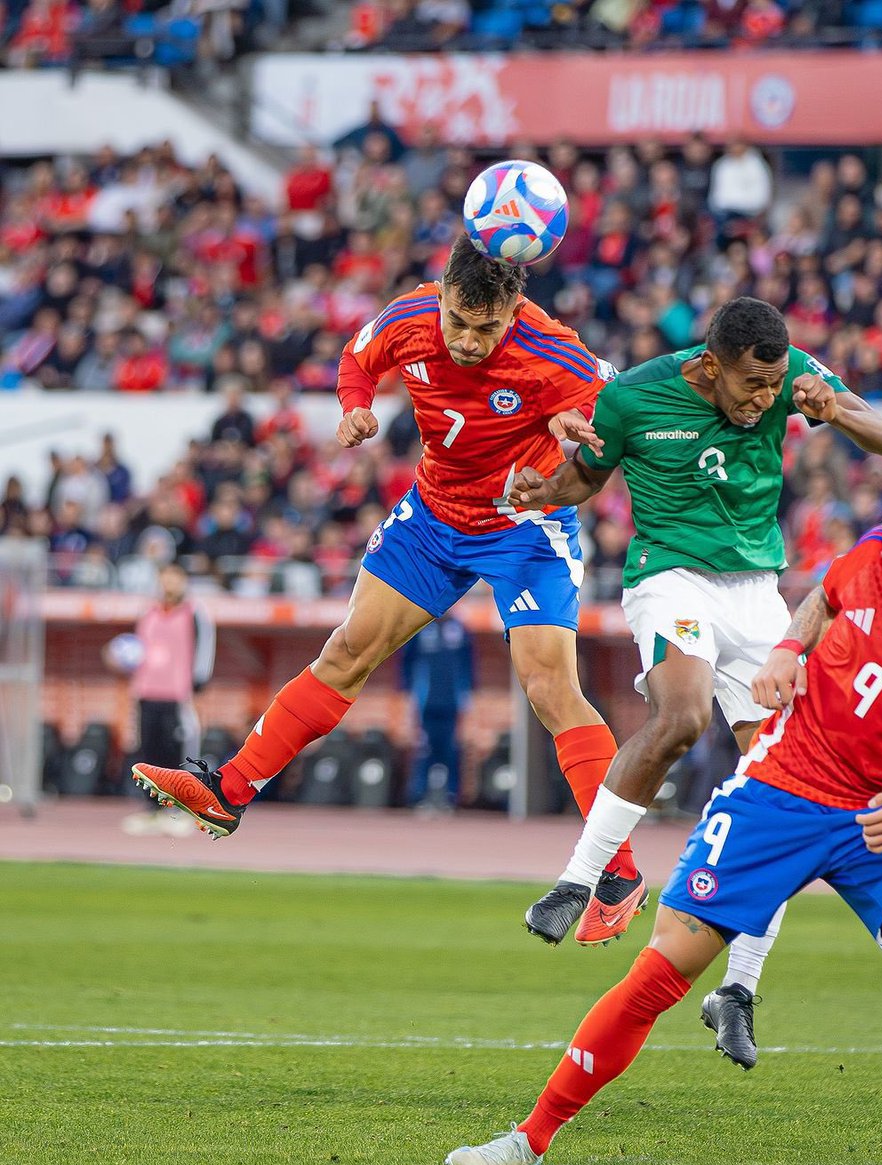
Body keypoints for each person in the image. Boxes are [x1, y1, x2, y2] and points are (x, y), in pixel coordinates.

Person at [445, 459, 882, 1165]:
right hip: (778, 795)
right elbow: (824, 595)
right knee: (663, 972)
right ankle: (530, 1139)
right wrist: (788, 649)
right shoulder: (881, 551)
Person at [131, 234, 647, 943]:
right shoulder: (408, 316)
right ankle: (228, 792)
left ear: (514, 311)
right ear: (442, 295)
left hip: (524, 526)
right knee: (346, 652)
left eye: (487, 329)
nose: (468, 342)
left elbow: (615, 430)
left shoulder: (557, 352)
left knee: (550, 688)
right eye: (458, 321)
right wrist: (355, 404)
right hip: (432, 516)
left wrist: (568, 448)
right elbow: (357, 357)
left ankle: (618, 873)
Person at [516, 296, 882, 1066]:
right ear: (709, 364)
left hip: (757, 596)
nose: (765, 399)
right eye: (752, 384)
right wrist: (540, 491)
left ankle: (739, 989)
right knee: (683, 718)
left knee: (791, 791)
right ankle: (581, 879)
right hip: (671, 580)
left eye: (774, 384)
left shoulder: (792, 376)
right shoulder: (633, 396)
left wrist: (833, 408)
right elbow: (583, 479)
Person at [121, 562, 216, 836]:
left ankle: (181, 810)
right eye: (164, 578)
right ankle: (152, 808)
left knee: (178, 753)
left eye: (174, 578)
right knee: (148, 753)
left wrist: (197, 681)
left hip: (177, 694)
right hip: (147, 691)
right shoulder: (148, 612)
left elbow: (204, 647)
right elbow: (137, 648)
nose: (169, 583)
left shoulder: (194, 612)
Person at [401, 612, 474, 810]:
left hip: (451, 701)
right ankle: (419, 794)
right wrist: (408, 693)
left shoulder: (459, 629)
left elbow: (468, 663)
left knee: (451, 748)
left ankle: (451, 795)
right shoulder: (421, 627)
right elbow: (407, 662)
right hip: (426, 701)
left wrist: (467, 694)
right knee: (424, 748)